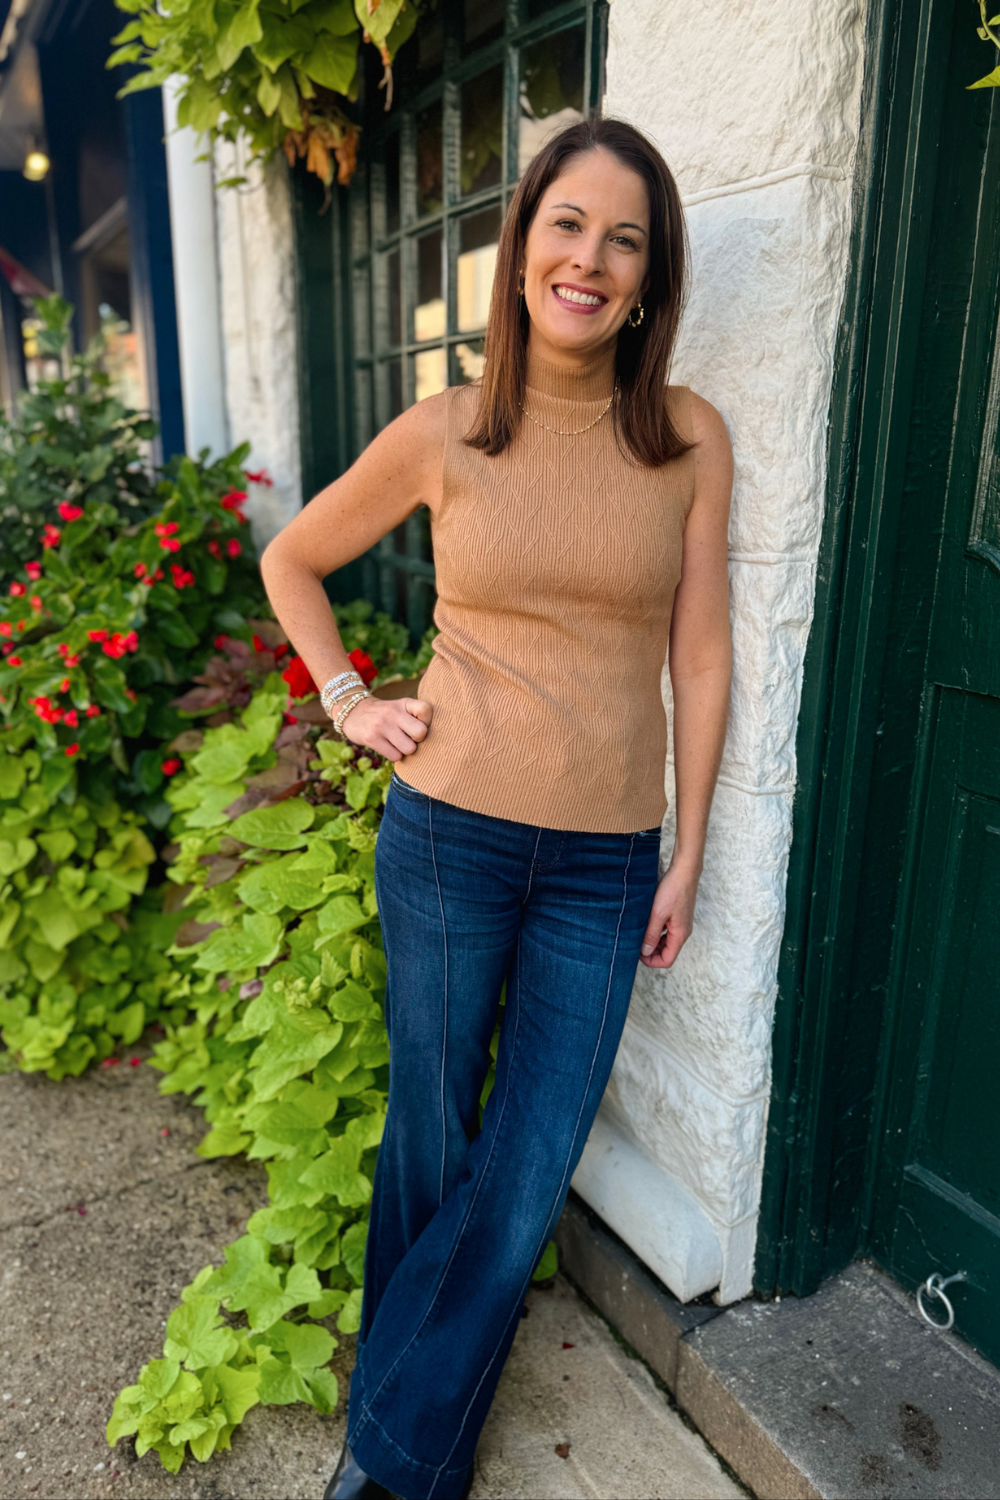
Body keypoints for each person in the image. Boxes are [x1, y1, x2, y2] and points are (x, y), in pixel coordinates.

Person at [260, 115, 733, 1500]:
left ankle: (384, 1437)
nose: (590, 258)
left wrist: (688, 849)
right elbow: (294, 560)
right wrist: (352, 700)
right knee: (432, 1131)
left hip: (604, 863)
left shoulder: (687, 439)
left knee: (527, 1163)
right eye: (567, 224)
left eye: (625, 239)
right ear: (521, 244)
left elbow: (696, 654)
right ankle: (420, 1458)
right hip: (449, 835)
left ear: (650, 278)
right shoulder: (443, 431)